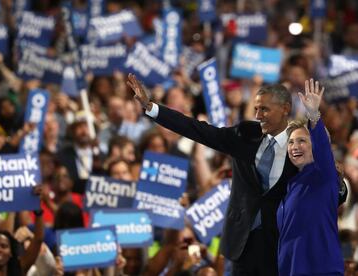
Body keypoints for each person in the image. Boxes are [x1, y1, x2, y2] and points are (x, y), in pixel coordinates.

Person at [127, 73, 346, 275]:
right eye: (256, 109)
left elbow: (324, 181)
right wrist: (152, 108)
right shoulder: (245, 134)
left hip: (279, 245)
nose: (258, 115)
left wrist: (340, 186)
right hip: (242, 242)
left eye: (265, 109)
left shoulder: (299, 146)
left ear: (285, 108)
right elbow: (199, 130)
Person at [277, 79, 344, 275]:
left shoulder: (323, 176)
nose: (294, 146)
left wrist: (313, 114)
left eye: (302, 141)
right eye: (291, 142)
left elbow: (323, 147)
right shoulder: (290, 186)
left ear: (314, 144)